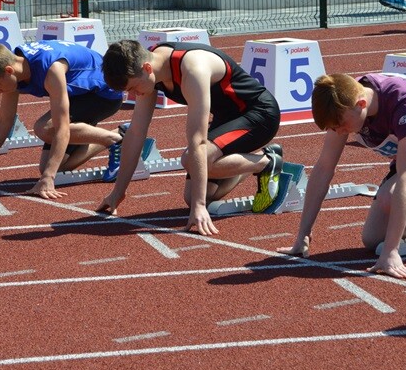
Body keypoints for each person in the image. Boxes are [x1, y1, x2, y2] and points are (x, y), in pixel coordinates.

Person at [284, 73, 406, 278]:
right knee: (373, 240)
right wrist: (303, 235)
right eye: (333, 128)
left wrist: (392, 251)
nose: (338, 132)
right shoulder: (343, 104)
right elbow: (324, 168)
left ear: (361, 104)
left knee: (389, 199)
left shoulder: (404, 104)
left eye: (340, 125)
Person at [97, 40, 284, 236]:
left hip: (259, 115)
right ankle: (251, 163)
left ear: (147, 68)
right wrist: (118, 192)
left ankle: (266, 162)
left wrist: (200, 206)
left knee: (190, 161)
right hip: (227, 119)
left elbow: (198, 141)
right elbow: (136, 133)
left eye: (133, 88)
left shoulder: (193, 69)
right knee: (193, 196)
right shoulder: (146, 70)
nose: (133, 95)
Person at [0, 41, 124, 198]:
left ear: (8, 71)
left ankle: (115, 140)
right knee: (51, 166)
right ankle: (120, 134)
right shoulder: (13, 69)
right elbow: (4, 120)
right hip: (77, 94)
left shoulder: (51, 70)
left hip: (104, 93)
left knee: (45, 128)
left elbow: (61, 127)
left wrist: (49, 179)